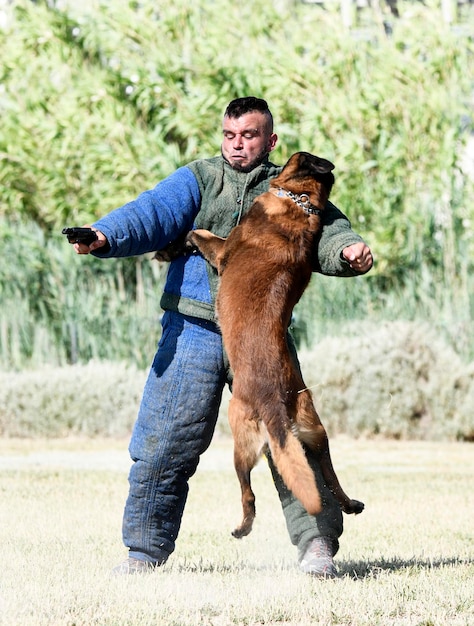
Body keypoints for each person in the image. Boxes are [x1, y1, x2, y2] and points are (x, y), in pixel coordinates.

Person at [73, 96, 373, 578]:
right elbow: (152, 212)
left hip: (261, 334)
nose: (237, 145)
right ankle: (144, 552)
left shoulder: (294, 188)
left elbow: (333, 231)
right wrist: (105, 234)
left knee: (290, 432)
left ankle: (317, 546)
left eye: (249, 136)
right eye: (230, 136)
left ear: (270, 141)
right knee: (166, 439)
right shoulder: (200, 178)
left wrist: (350, 251)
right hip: (193, 328)